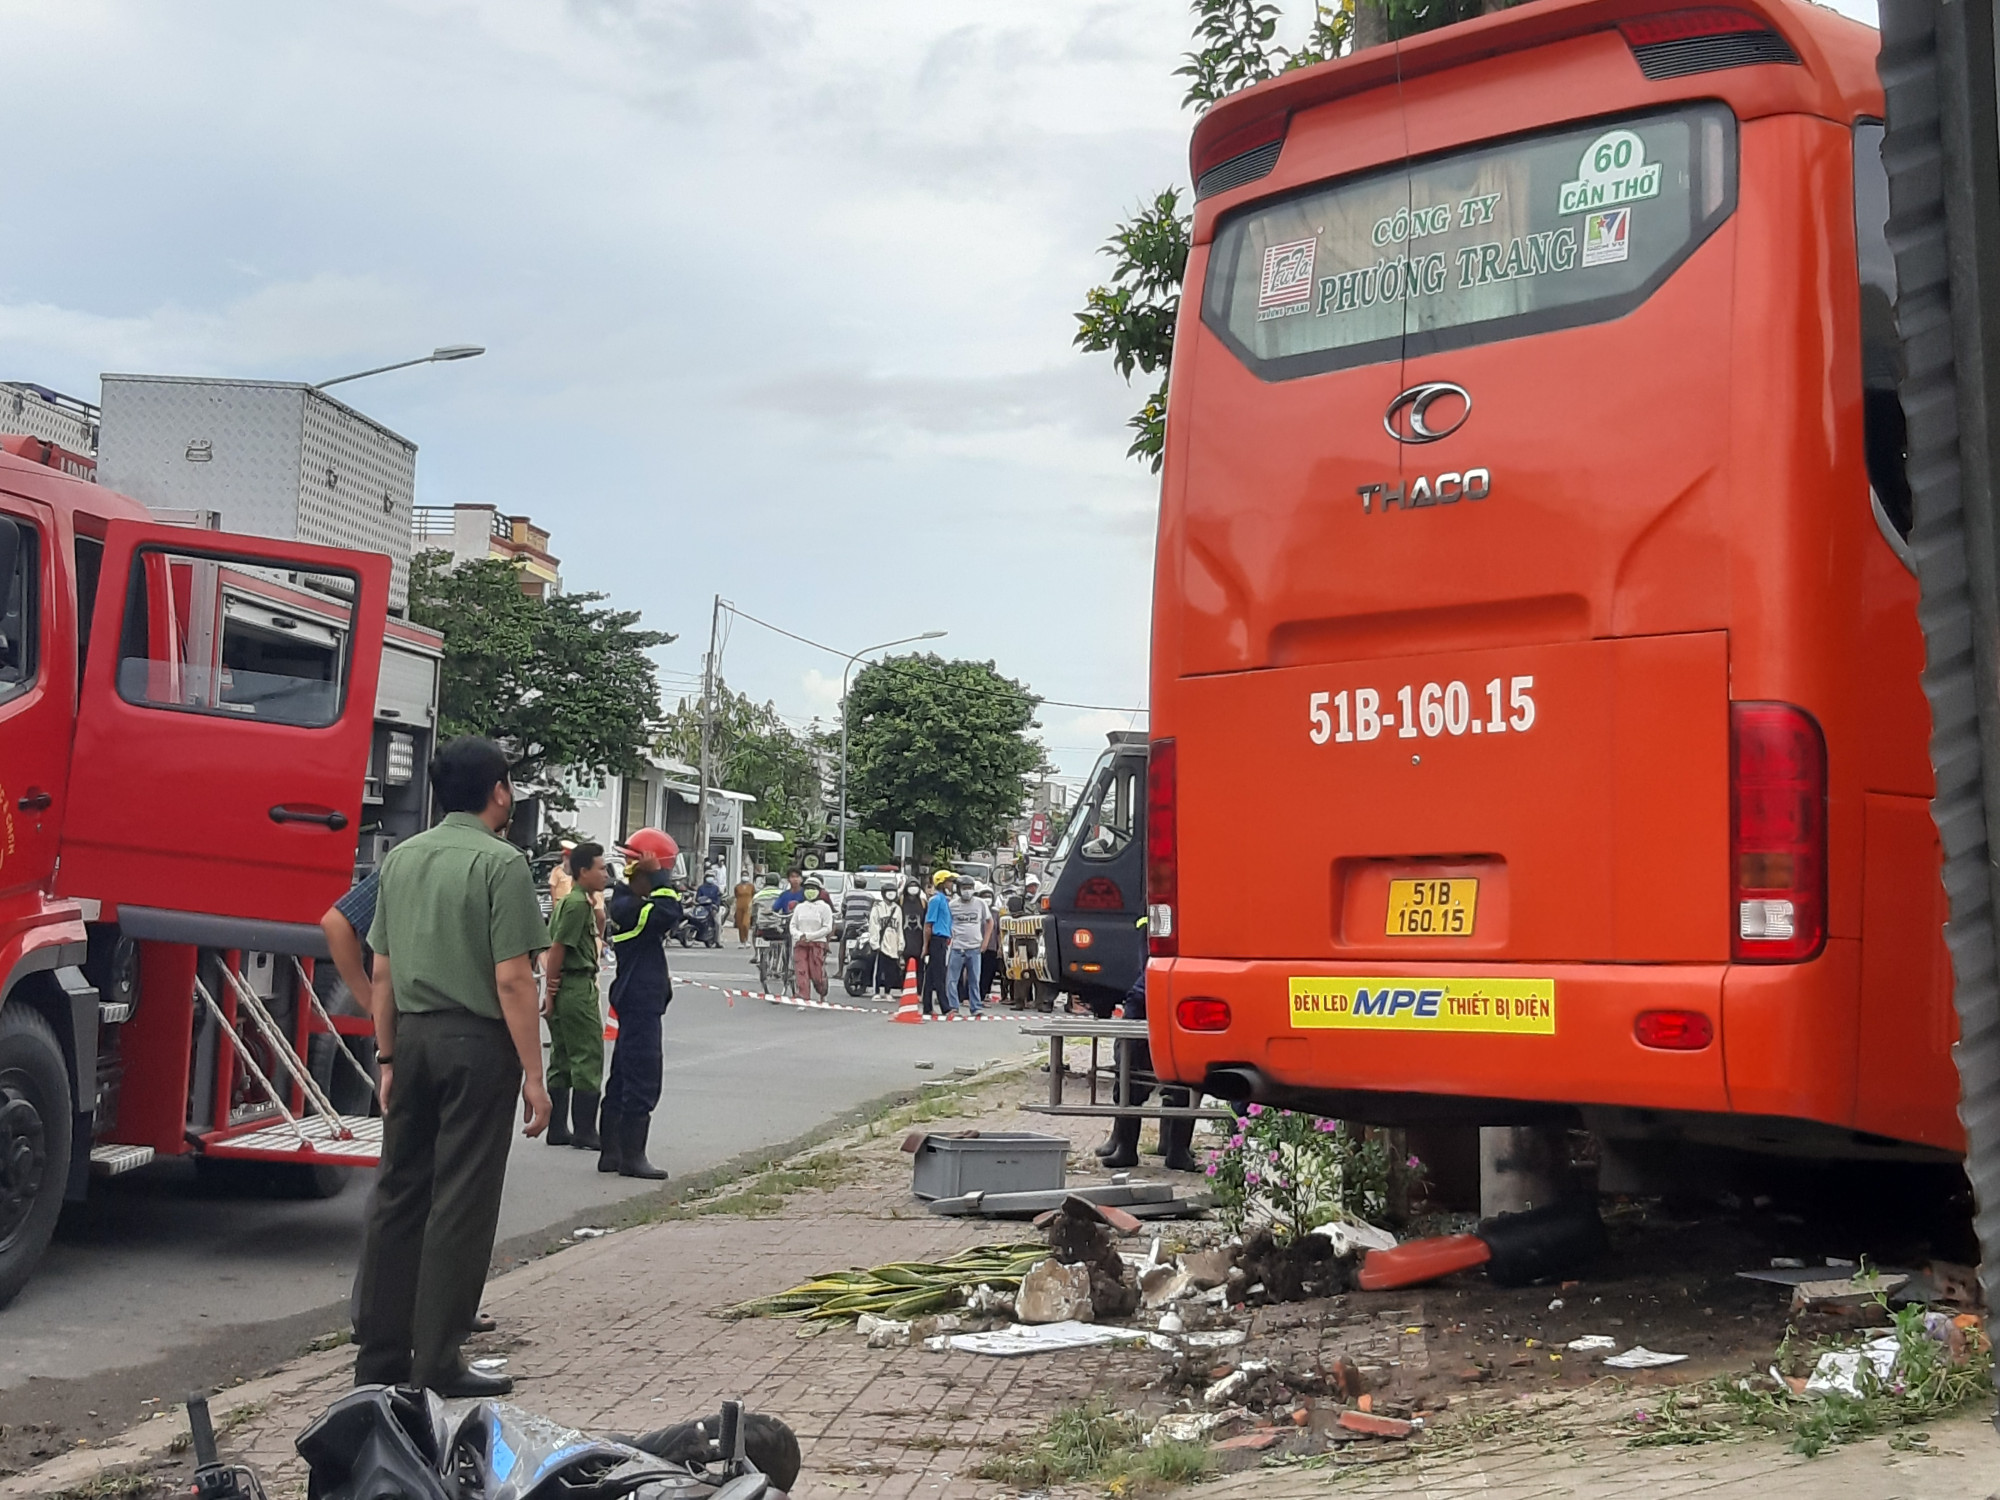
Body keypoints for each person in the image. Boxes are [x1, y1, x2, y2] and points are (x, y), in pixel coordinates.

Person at [353, 736, 551, 1398]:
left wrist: (385, 1056)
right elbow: (513, 981)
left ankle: (379, 1353)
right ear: (499, 791)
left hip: (409, 1037)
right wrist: (534, 1075)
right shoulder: (503, 864)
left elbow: (381, 969)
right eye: (510, 785)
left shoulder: (402, 859)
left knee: (398, 1192)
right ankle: (436, 1360)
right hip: (476, 1045)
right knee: (459, 1201)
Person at [597, 839, 680, 1180]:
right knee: (642, 1078)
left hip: (635, 998)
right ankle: (632, 1156)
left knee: (622, 1076)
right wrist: (660, 877)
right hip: (640, 1001)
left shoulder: (627, 902)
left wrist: (655, 875)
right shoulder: (631, 908)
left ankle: (612, 1152)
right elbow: (670, 912)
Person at [542, 842, 610, 1151]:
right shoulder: (577, 905)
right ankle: (585, 1130)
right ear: (583, 871)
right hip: (576, 984)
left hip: (567, 984)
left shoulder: (576, 900)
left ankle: (558, 1128)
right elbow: (558, 949)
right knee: (587, 1055)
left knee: (563, 1056)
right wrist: (552, 990)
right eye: (601, 868)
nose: (606, 874)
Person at [946, 878, 986, 1018]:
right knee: (952, 979)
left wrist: (985, 941)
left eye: (970, 887)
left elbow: (989, 921)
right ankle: (953, 1006)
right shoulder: (952, 905)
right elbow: (947, 923)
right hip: (957, 947)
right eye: (964, 887)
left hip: (974, 947)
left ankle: (975, 1007)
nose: (967, 891)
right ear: (958, 889)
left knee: (974, 979)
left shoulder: (980, 904)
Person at [790, 879, 835, 999]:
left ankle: (822, 991)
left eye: (813, 889)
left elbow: (827, 927)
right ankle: (803, 996)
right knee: (801, 971)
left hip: (818, 944)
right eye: (808, 888)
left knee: (816, 974)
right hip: (800, 943)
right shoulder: (800, 907)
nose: (810, 891)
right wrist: (799, 935)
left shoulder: (824, 908)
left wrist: (811, 936)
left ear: (819, 891)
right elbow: (793, 925)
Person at [922, 871, 956, 1017]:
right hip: (936, 939)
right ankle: (945, 1007)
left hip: (943, 939)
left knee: (930, 975)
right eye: (949, 881)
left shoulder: (945, 900)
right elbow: (928, 924)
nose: (951, 884)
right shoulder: (936, 900)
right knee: (939, 975)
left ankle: (927, 1006)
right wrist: (926, 945)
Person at [867, 883, 905, 995]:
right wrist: (875, 943)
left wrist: (900, 944)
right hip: (881, 943)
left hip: (893, 943)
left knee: (891, 970)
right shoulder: (877, 908)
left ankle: (888, 992)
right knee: (879, 969)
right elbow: (873, 925)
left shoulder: (897, 909)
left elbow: (899, 928)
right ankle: (877, 992)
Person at [976, 883, 1002, 1006]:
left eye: (989, 895)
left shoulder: (995, 912)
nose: (987, 898)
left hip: (992, 947)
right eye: (984, 895)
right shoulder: (976, 910)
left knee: (988, 973)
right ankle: (974, 996)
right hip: (977, 946)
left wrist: (1000, 947)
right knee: (976, 973)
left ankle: (983, 995)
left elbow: (999, 932)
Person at [733, 874, 756, 945]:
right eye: (743, 875)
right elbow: (736, 895)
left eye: (746, 875)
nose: (744, 877)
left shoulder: (751, 886)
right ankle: (742, 940)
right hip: (739, 906)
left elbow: (753, 895)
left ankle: (746, 939)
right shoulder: (737, 887)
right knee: (740, 924)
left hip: (748, 907)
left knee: (745, 924)